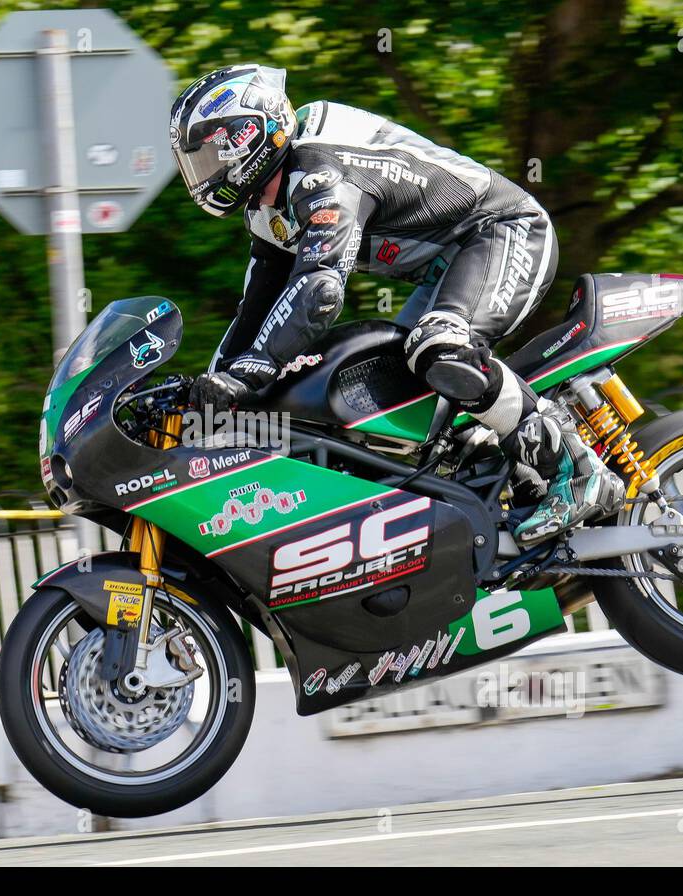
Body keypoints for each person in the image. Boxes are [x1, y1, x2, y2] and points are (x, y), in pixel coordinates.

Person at [171, 65, 624, 543]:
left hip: (503, 230)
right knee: (402, 407)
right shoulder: (269, 211)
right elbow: (254, 314)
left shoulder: (319, 170)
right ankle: (512, 485)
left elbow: (319, 292)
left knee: (439, 349)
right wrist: (203, 405)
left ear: (246, 136)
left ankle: (577, 469)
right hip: (448, 266)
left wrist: (249, 374)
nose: (201, 172)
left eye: (206, 155)